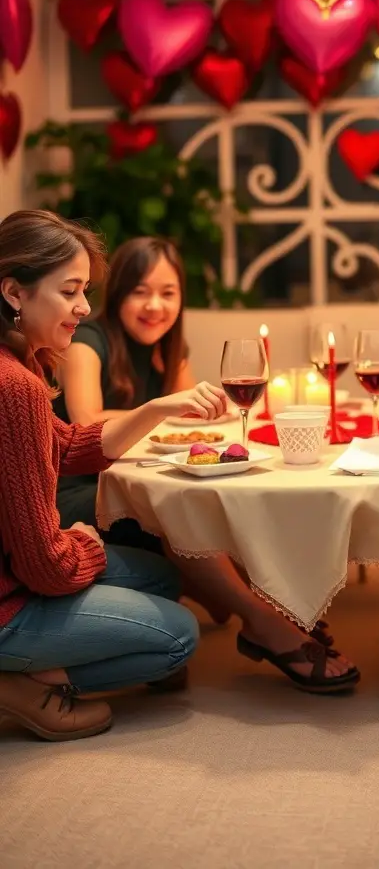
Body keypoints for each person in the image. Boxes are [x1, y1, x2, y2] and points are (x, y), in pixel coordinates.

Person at [53, 235, 359, 696]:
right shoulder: (87, 341)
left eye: (168, 293)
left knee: (221, 495)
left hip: (137, 479)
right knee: (182, 516)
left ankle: (252, 603)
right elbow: (87, 423)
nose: (154, 305)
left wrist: (203, 415)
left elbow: (188, 422)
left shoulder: (169, 347)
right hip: (80, 490)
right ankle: (263, 621)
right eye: (140, 291)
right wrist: (162, 407)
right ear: (117, 294)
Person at [0, 210, 227, 741]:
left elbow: (66, 445)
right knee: (178, 638)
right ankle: (19, 683)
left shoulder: (21, 366)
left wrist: (156, 409)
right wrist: (86, 547)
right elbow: (45, 568)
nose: (84, 306)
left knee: (163, 577)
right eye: (70, 290)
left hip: (15, 571)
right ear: (14, 292)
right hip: (10, 596)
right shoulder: (17, 387)